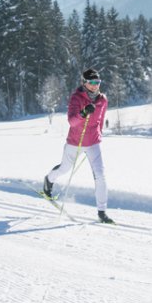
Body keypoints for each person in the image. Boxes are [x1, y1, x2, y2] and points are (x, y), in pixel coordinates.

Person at [42, 68, 113, 223]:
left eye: (97, 82)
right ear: (84, 82)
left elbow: (100, 120)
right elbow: (72, 121)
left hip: (94, 142)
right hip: (75, 141)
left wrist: (98, 134)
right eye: (92, 82)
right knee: (65, 169)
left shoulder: (102, 100)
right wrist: (83, 113)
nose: (95, 85)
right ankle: (48, 180)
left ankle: (102, 212)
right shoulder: (76, 98)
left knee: (100, 175)